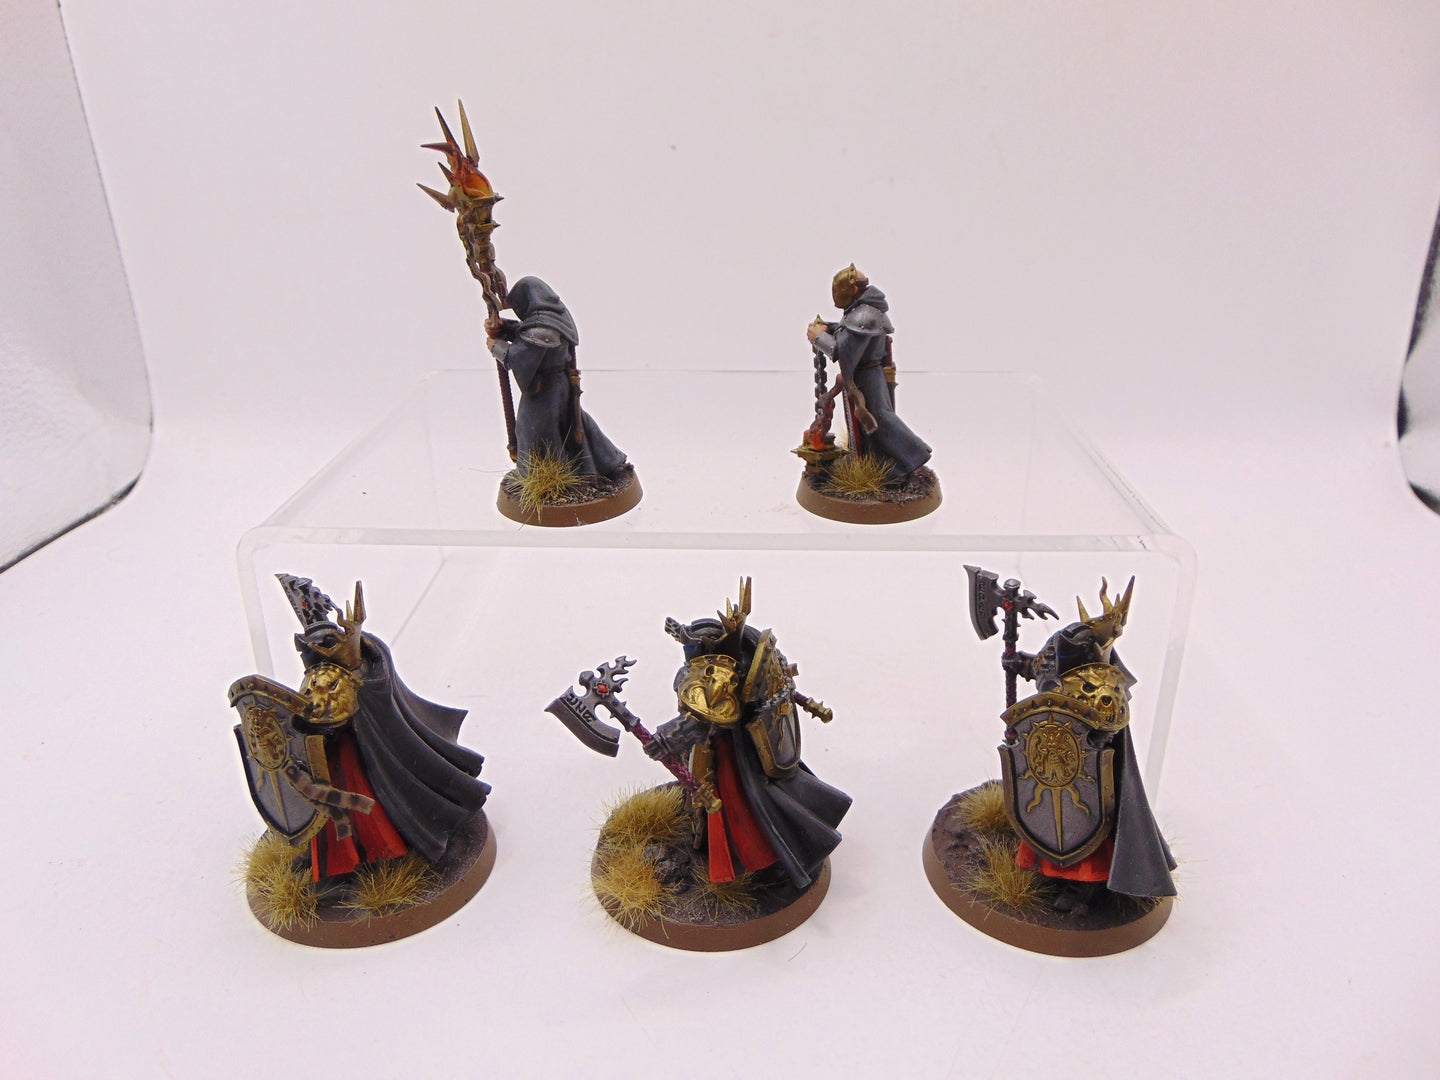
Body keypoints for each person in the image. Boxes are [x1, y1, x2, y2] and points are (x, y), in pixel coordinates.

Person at [278, 575, 490, 881]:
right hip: (333, 754)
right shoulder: (317, 676)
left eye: (320, 646)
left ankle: (386, 853)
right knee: (333, 809)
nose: (312, 655)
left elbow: (372, 690)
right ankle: (337, 862)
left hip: (366, 751)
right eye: (307, 650)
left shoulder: (366, 662)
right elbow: (309, 711)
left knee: (376, 807)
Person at [642, 582, 851, 889]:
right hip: (722, 749)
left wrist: (667, 739)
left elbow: (706, 718)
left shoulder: (725, 675)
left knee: (743, 812)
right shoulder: (714, 668)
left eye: (693, 647)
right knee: (723, 804)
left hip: (729, 754)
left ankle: (760, 863)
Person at [1002, 577, 1177, 902]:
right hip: (1053, 769)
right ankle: (1053, 878)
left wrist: (1098, 736)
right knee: (1051, 815)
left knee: (1086, 827)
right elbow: (1045, 669)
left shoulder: (1103, 683)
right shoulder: (1066, 646)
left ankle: (1085, 891)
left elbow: (1108, 721)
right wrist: (1019, 662)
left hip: (1086, 779)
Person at [487, 276, 630, 481]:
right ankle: (598, 464)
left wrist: (496, 346)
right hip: (561, 384)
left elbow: (520, 358)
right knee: (569, 423)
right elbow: (527, 333)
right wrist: (505, 328)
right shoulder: (555, 318)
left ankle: (542, 477)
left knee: (533, 430)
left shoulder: (541, 329)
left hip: (543, 391)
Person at [806, 265, 932, 477]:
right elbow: (848, 331)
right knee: (873, 424)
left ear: (852, 289)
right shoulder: (863, 309)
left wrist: (818, 337)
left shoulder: (864, 315)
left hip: (868, 377)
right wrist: (830, 327)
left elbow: (841, 350)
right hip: (867, 375)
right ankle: (887, 463)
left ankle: (913, 456)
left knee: (880, 419)